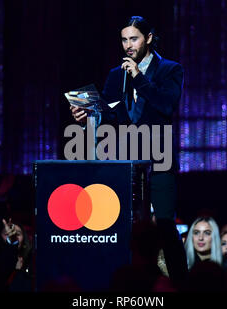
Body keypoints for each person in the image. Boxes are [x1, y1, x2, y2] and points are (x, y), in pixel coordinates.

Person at [70, 16, 187, 288]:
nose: (128, 45)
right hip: (126, 161)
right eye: (124, 39)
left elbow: (166, 104)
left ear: (148, 38)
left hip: (159, 158)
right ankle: (126, 284)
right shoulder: (115, 74)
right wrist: (88, 113)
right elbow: (110, 116)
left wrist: (139, 78)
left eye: (133, 38)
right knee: (124, 226)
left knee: (166, 226)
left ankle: (182, 284)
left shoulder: (170, 69)